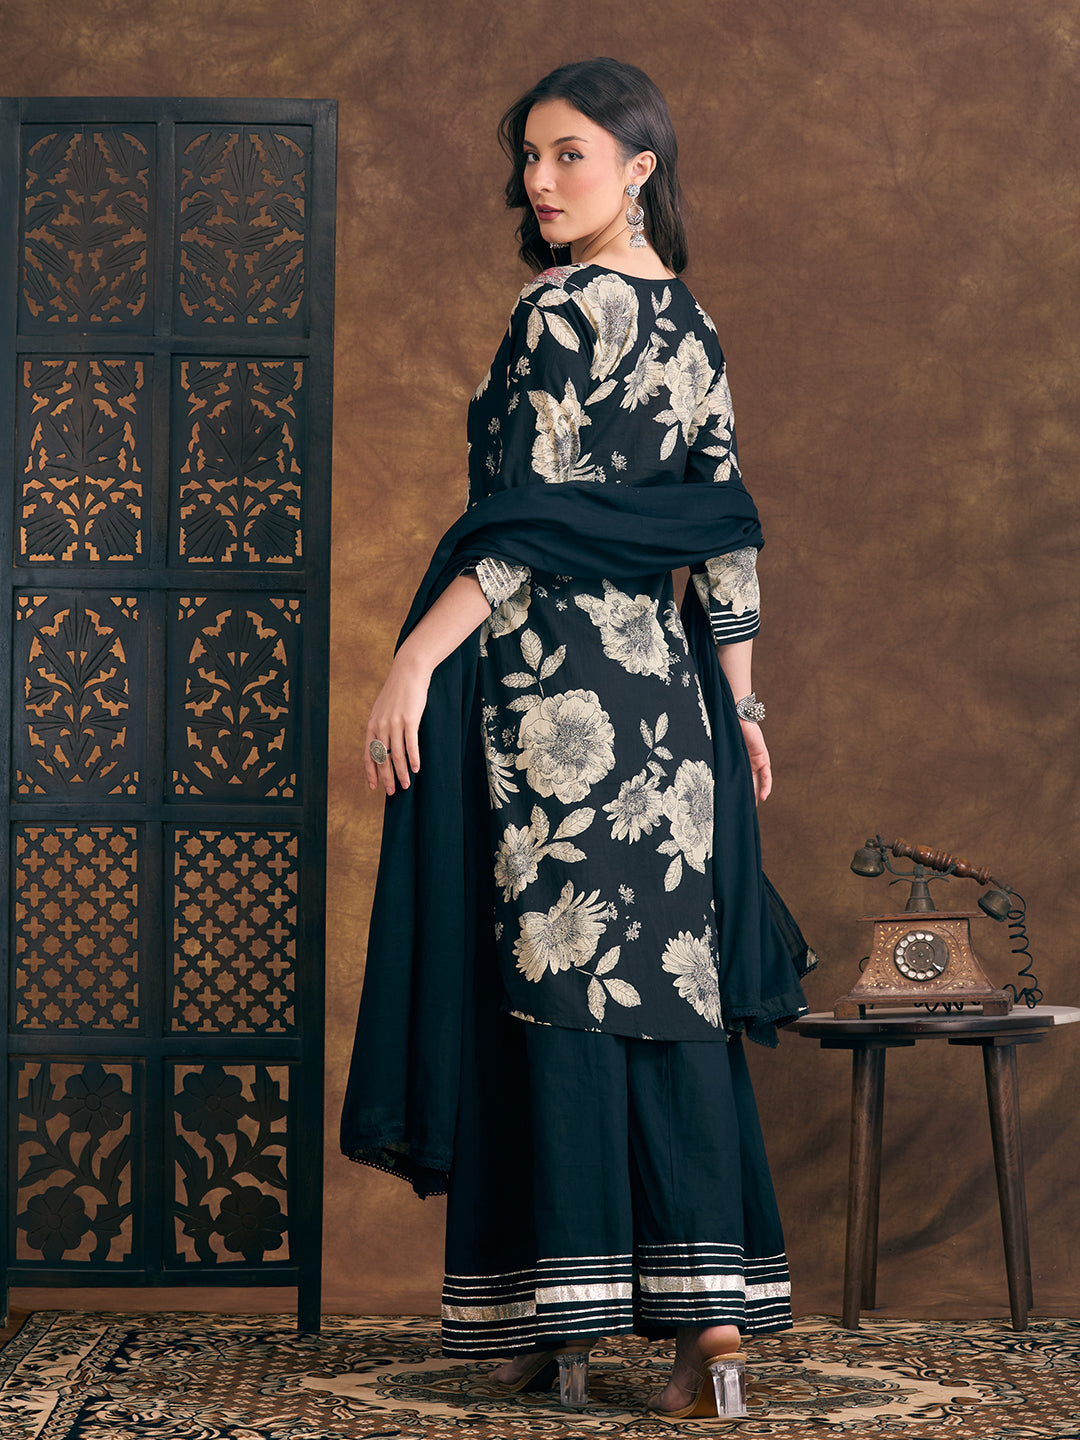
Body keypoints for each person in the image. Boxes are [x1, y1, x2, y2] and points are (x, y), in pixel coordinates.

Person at [340, 57, 814, 1420]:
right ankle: (707, 1334)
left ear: (639, 167)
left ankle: (567, 1318)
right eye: (531, 158)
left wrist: (414, 660)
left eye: (569, 156)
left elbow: (525, 534)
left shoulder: (556, 311)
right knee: (664, 990)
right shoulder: (696, 324)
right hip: (669, 707)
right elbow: (726, 527)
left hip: (556, 700)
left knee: (557, 985)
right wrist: (742, 704)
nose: (539, 183)